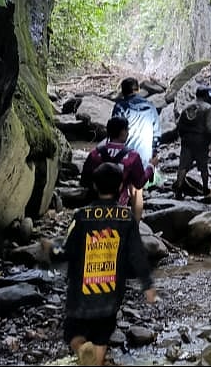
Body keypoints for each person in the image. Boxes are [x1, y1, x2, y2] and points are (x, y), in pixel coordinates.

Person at [61, 162, 156, 366]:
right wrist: (147, 285)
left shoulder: (81, 216)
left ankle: (81, 349)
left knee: (73, 333)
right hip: (110, 291)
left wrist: (51, 254)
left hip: (80, 293)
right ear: (121, 187)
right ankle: (95, 360)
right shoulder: (127, 217)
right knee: (102, 336)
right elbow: (137, 254)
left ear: (95, 186)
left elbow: (67, 251)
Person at [80, 115, 152, 221]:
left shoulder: (95, 153)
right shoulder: (132, 156)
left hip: (95, 205)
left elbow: (84, 181)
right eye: (127, 130)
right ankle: (135, 226)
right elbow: (139, 183)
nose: (128, 133)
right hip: (119, 205)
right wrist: (151, 167)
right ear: (123, 132)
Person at [111, 77, 161, 219]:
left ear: (122, 91)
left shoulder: (120, 106)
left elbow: (114, 129)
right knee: (137, 190)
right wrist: (153, 152)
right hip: (143, 153)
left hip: (124, 152)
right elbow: (157, 133)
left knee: (120, 188)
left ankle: (118, 222)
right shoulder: (150, 106)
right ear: (138, 90)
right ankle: (136, 226)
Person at [173, 84, 211, 198]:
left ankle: (178, 191)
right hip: (201, 141)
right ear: (206, 95)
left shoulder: (187, 106)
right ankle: (205, 189)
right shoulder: (208, 108)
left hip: (187, 140)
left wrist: (182, 137)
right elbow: (209, 127)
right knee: (203, 166)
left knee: (183, 166)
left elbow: (179, 124)